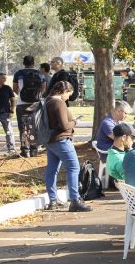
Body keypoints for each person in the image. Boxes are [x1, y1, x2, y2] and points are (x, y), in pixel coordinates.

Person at [43, 81, 90, 212]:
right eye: (69, 94)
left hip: (51, 140)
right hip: (62, 140)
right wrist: (75, 121)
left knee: (52, 170)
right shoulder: (58, 103)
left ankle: (53, 200)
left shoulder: (48, 101)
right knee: (74, 168)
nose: (68, 97)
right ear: (64, 91)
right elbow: (64, 125)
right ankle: (75, 200)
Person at [13, 54, 45, 157]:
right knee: (34, 126)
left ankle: (24, 151)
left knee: (23, 128)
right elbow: (43, 88)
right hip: (35, 104)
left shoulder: (18, 74)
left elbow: (15, 89)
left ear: (23, 63)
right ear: (33, 63)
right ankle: (34, 150)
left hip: (21, 104)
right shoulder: (39, 74)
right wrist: (36, 96)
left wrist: (22, 96)